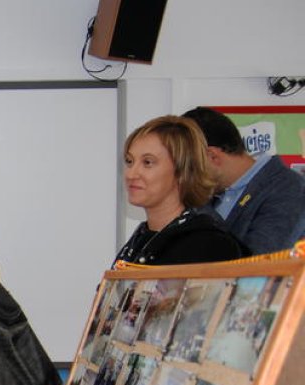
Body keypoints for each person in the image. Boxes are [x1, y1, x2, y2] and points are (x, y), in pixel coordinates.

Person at [115, 115, 247, 266]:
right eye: (130, 161)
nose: (131, 174)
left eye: (147, 162)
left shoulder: (210, 246)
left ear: (182, 171)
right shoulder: (140, 240)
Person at [182, 106, 305, 254]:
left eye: (186, 166)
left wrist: (197, 202)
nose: (183, 175)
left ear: (212, 156)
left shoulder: (288, 188)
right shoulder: (213, 193)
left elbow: (258, 261)